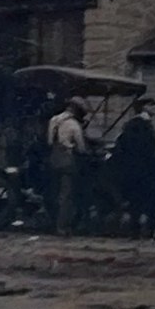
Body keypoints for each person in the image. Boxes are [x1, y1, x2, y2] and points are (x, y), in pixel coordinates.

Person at [112, 96, 155, 238]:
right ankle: (142, 229)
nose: (153, 109)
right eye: (151, 106)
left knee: (135, 199)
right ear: (144, 107)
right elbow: (146, 147)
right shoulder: (142, 125)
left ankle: (135, 228)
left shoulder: (131, 125)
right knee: (143, 198)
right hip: (142, 167)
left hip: (132, 167)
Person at [47, 96, 88, 235]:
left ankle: (51, 222)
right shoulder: (74, 125)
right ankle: (62, 227)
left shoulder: (53, 120)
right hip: (67, 160)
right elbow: (81, 148)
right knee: (66, 195)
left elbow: (49, 142)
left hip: (53, 158)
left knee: (54, 192)